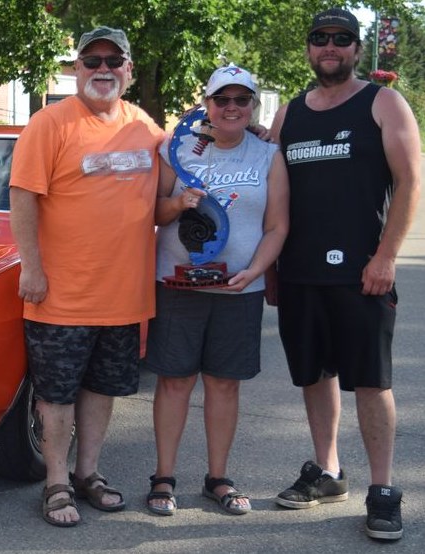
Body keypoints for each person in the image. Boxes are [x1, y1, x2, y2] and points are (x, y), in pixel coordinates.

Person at [268, 8, 421, 541]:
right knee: (314, 374)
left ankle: (382, 490)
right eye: (319, 39)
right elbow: (272, 196)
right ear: (308, 48)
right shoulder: (290, 114)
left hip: (363, 273)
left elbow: (409, 182)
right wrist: (271, 269)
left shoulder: (382, 102)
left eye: (340, 39)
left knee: (372, 381)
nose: (329, 47)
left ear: (356, 49)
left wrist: (386, 256)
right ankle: (328, 471)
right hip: (300, 273)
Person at [9, 26, 164, 527]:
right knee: (55, 394)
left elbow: (185, 171)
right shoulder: (49, 123)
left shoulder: (146, 127)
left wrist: (252, 139)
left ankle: (88, 474)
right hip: (61, 294)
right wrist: (31, 267)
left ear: (129, 69)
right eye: (91, 61)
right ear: (76, 69)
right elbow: (23, 197)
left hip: (123, 296)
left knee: (101, 390)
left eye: (112, 60)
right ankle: (56, 481)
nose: (102, 69)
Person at [144, 65, 289, 517]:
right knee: (174, 382)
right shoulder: (178, 148)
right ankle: (163, 477)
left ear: (252, 106)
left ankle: (218, 478)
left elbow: (277, 225)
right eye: (221, 99)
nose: (231, 108)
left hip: (239, 289)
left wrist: (256, 272)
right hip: (178, 283)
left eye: (241, 100)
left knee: (224, 385)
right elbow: (156, 212)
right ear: (207, 105)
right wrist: (178, 202)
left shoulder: (268, 154)